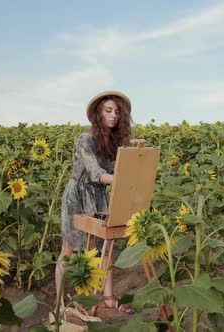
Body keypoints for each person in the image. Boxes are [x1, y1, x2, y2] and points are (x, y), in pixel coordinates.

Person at [56, 90, 134, 314]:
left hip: (100, 196)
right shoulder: (86, 139)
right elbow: (94, 172)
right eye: (108, 111)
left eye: (117, 112)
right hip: (78, 196)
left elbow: (121, 168)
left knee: (105, 246)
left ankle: (108, 298)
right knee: (70, 251)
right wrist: (123, 180)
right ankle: (60, 306)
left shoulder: (115, 142)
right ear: (98, 114)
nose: (113, 116)